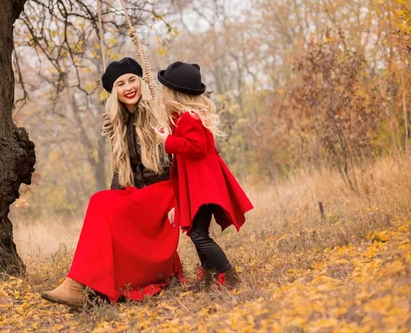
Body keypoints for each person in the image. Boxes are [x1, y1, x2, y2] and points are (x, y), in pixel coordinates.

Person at [41, 57, 182, 307]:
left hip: (165, 194)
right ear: (113, 92)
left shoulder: (159, 114)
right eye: (120, 83)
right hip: (140, 196)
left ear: (140, 82)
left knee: (103, 204)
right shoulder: (118, 124)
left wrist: (182, 201)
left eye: (132, 80)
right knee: (101, 201)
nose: (128, 87)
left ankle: (79, 284)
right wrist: (111, 210)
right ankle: (79, 283)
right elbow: (120, 174)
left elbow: (181, 160)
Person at [154, 61, 253, 290]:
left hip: (203, 185)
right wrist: (168, 133)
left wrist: (167, 141)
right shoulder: (185, 117)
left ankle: (228, 274)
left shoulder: (190, 117)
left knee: (198, 234)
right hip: (200, 184)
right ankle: (208, 277)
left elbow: (196, 146)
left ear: (175, 94)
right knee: (197, 232)